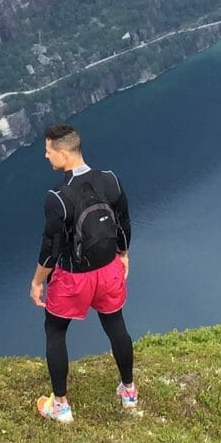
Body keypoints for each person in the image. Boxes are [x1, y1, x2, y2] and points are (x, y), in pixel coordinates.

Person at [29, 122, 136, 422]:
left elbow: (50, 250)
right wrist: (123, 255)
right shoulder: (110, 181)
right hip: (108, 271)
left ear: (63, 153)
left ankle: (60, 406)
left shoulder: (58, 197)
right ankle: (128, 391)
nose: (46, 156)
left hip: (73, 279)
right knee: (116, 325)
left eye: (49, 151)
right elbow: (124, 224)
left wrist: (37, 283)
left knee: (55, 332)